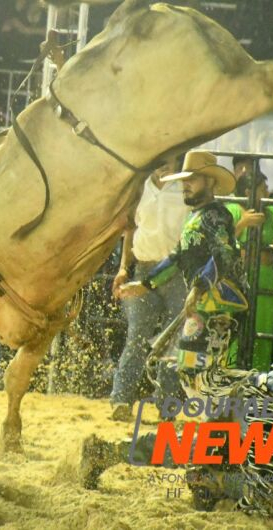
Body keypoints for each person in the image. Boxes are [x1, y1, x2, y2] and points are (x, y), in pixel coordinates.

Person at [118, 150, 246, 380]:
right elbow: (178, 256)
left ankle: (203, 409)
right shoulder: (196, 217)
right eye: (185, 180)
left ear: (209, 182)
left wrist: (197, 288)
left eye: (192, 180)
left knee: (198, 361)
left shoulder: (215, 216)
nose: (185, 185)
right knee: (192, 361)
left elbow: (224, 254)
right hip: (210, 300)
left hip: (221, 302)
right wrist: (146, 284)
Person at [108, 156, 191, 421]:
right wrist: (124, 267)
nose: (164, 165)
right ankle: (122, 401)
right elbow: (131, 229)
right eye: (160, 161)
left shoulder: (183, 190)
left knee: (170, 340)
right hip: (145, 267)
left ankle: (163, 403)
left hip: (174, 270)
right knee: (139, 337)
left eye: (168, 161)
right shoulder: (142, 187)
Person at [226, 158, 273, 371]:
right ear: (248, 191)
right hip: (237, 276)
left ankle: (259, 378)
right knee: (234, 329)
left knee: (263, 330)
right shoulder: (232, 210)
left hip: (266, 274)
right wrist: (244, 223)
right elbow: (221, 240)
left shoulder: (272, 212)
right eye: (263, 189)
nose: (267, 192)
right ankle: (229, 377)